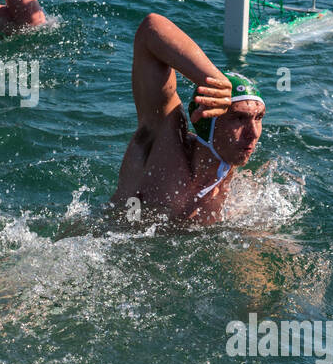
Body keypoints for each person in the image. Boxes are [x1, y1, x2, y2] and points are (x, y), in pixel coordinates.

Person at [111, 13, 265, 224]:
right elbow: (150, 29)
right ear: (206, 118)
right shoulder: (163, 145)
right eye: (239, 118)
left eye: (259, 118)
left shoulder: (239, 194)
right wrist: (213, 81)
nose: (253, 133)